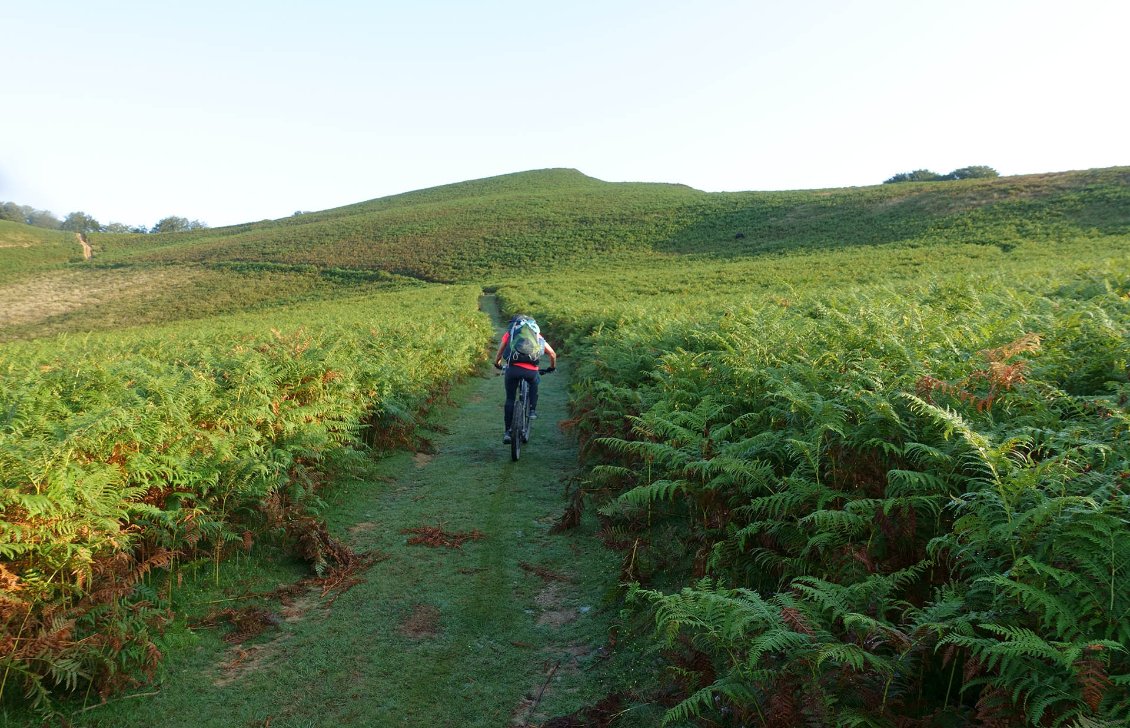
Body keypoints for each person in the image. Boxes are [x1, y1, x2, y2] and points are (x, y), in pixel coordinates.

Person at [494, 315, 557, 444]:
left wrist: (497, 363)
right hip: (531, 372)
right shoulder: (537, 336)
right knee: (534, 382)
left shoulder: (510, 334)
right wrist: (551, 367)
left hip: (513, 370)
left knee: (510, 398)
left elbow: (500, 351)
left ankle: (507, 432)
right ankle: (532, 410)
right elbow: (552, 354)